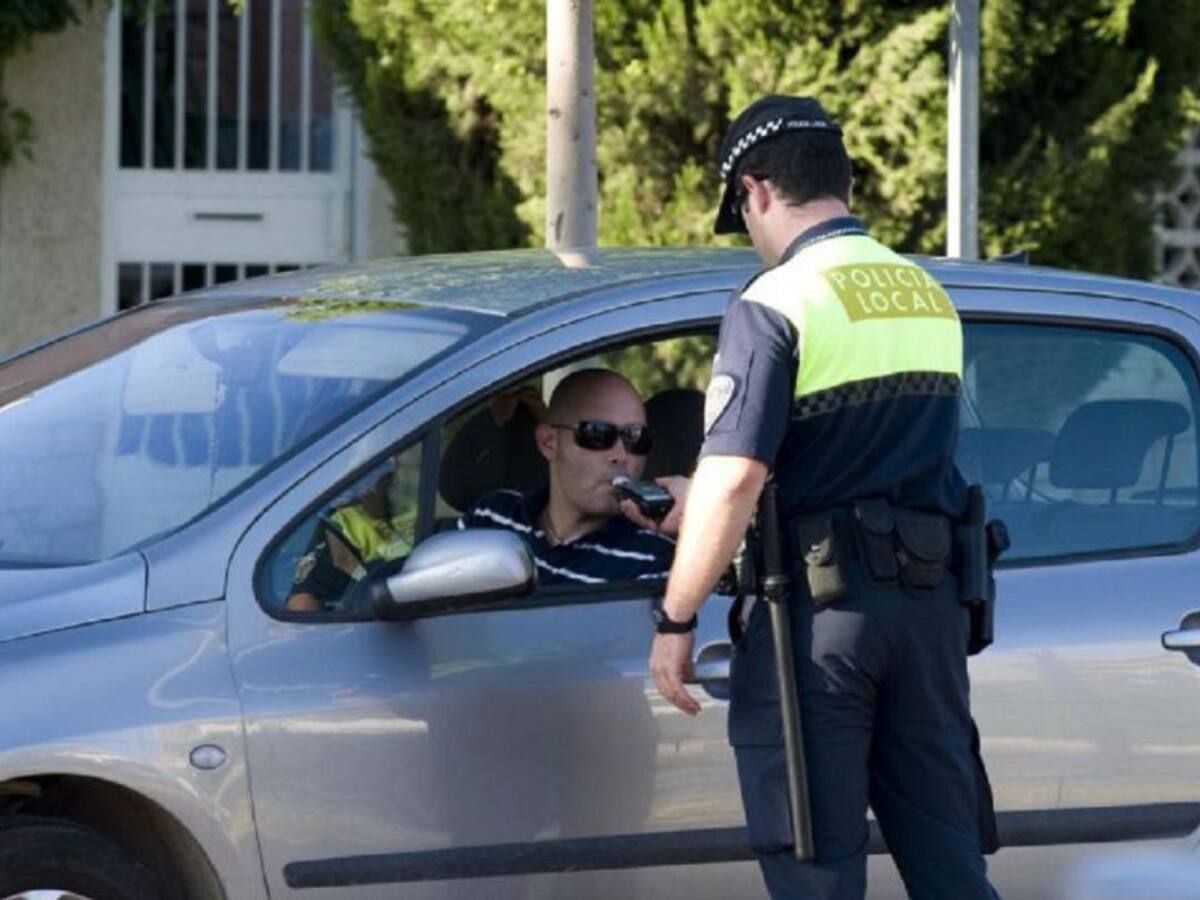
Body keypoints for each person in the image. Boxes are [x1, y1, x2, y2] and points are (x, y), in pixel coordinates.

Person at [647, 95, 1000, 899]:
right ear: (845, 182)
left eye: (742, 213)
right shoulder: (925, 292)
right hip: (931, 613)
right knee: (951, 869)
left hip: (820, 625)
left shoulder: (775, 301)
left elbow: (737, 477)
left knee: (818, 873)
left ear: (756, 190)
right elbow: (873, 450)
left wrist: (676, 618)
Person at [459, 368, 675, 585]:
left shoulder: (655, 561)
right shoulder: (492, 517)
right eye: (598, 434)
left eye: (636, 438)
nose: (620, 456)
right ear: (548, 442)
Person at [285, 458, 417, 612]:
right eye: (364, 482)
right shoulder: (343, 524)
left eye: (389, 477)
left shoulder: (423, 502)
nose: (366, 491)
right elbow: (302, 602)